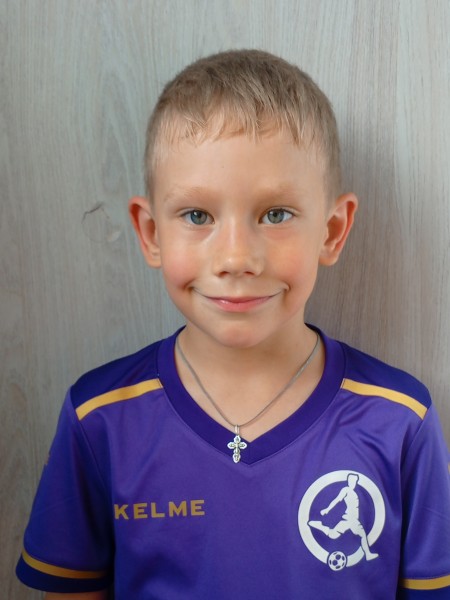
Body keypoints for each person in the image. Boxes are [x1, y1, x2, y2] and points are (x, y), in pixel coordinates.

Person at [16, 50, 450, 599]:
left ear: (333, 230)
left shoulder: (400, 420)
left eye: (276, 214)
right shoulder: (98, 418)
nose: (236, 258)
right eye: (197, 216)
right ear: (151, 233)